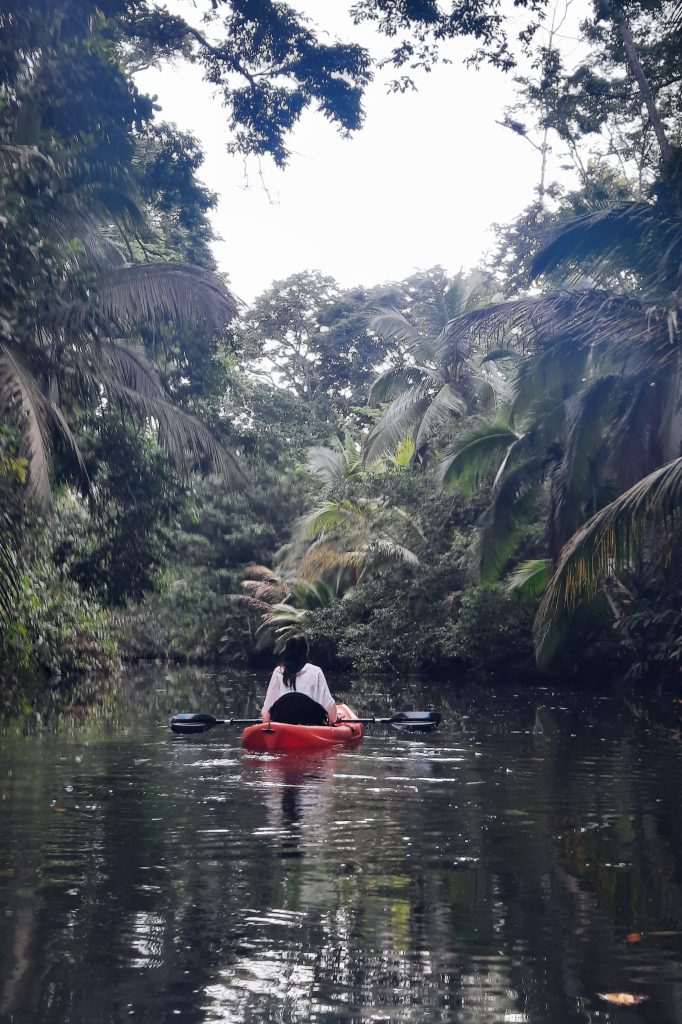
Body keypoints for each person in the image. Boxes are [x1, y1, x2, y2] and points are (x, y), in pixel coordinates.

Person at [261, 635, 337, 725]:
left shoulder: (278, 672)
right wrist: (334, 718)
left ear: (286, 652)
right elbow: (329, 706)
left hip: (283, 724)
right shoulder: (316, 671)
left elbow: (266, 713)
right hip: (311, 724)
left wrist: (266, 720)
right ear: (306, 651)